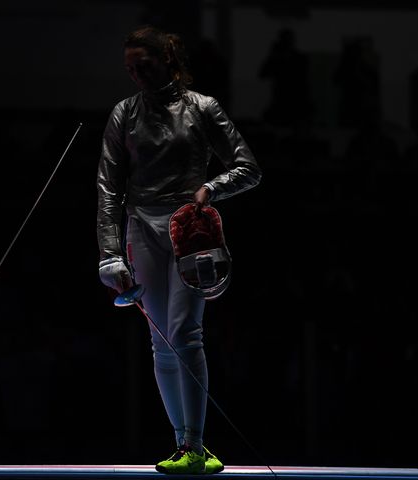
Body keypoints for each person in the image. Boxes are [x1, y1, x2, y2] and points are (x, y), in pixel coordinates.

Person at [96, 25, 261, 474]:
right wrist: (110, 254)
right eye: (130, 69)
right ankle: (182, 445)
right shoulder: (123, 113)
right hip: (141, 229)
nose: (136, 75)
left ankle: (197, 445)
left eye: (143, 65)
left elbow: (249, 168)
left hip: (190, 232)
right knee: (161, 341)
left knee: (185, 331)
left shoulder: (203, 107)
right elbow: (109, 188)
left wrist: (211, 186)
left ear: (169, 58)